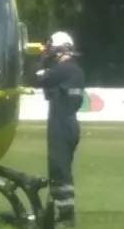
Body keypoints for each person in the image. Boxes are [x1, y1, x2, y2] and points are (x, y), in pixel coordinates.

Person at [28, 31, 85, 227]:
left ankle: (65, 217)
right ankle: (52, 214)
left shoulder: (63, 70)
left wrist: (38, 60)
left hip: (60, 123)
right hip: (68, 123)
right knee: (60, 170)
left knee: (59, 172)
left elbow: (34, 79)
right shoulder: (75, 70)